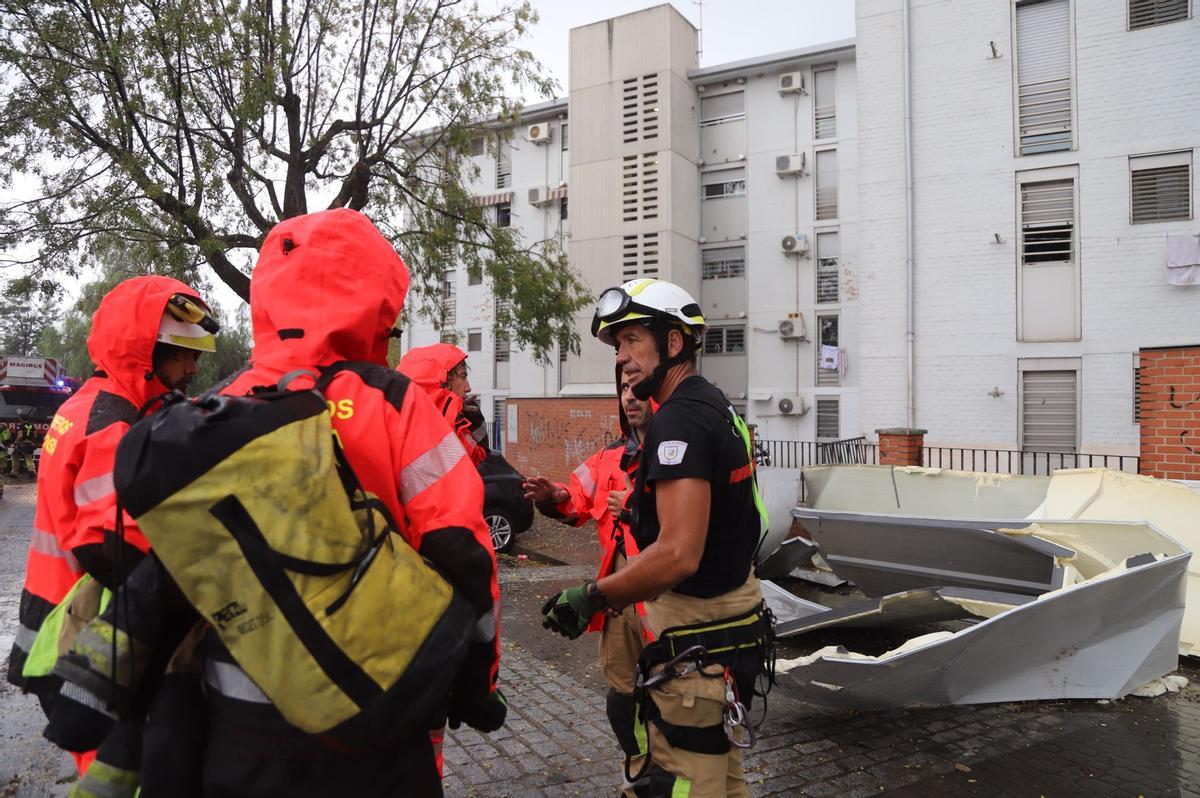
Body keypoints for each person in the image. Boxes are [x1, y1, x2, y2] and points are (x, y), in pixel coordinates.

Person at [200, 208, 504, 797]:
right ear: (373, 301)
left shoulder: (213, 408)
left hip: (241, 725)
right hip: (374, 713)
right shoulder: (395, 405)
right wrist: (476, 679)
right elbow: (462, 552)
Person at [542, 278, 772, 798]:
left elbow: (677, 554)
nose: (622, 358)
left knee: (687, 783)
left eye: (632, 341)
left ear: (674, 343)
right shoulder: (714, 406)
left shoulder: (680, 423)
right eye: (618, 346)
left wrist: (593, 596)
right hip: (729, 624)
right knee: (725, 779)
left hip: (697, 644)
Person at [5, 276, 217, 775]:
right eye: (181, 355)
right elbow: (111, 547)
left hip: (54, 617)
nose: (192, 368)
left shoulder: (87, 403)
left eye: (197, 356)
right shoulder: (114, 423)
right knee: (112, 773)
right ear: (144, 351)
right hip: (87, 634)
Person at [523, 374, 653, 795]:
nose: (629, 398)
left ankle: (669, 771)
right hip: (616, 596)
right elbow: (575, 500)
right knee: (621, 690)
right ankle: (638, 769)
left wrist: (637, 509)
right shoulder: (609, 457)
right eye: (624, 391)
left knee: (674, 693)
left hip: (664, 594)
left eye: (639, 391)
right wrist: (552, 496)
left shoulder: (676, 453)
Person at [397, 343, 490, 466]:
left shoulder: (397, 425)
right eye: (463, 377)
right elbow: (474, 463)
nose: (468, 388)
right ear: (441, 382)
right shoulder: (445, 432)